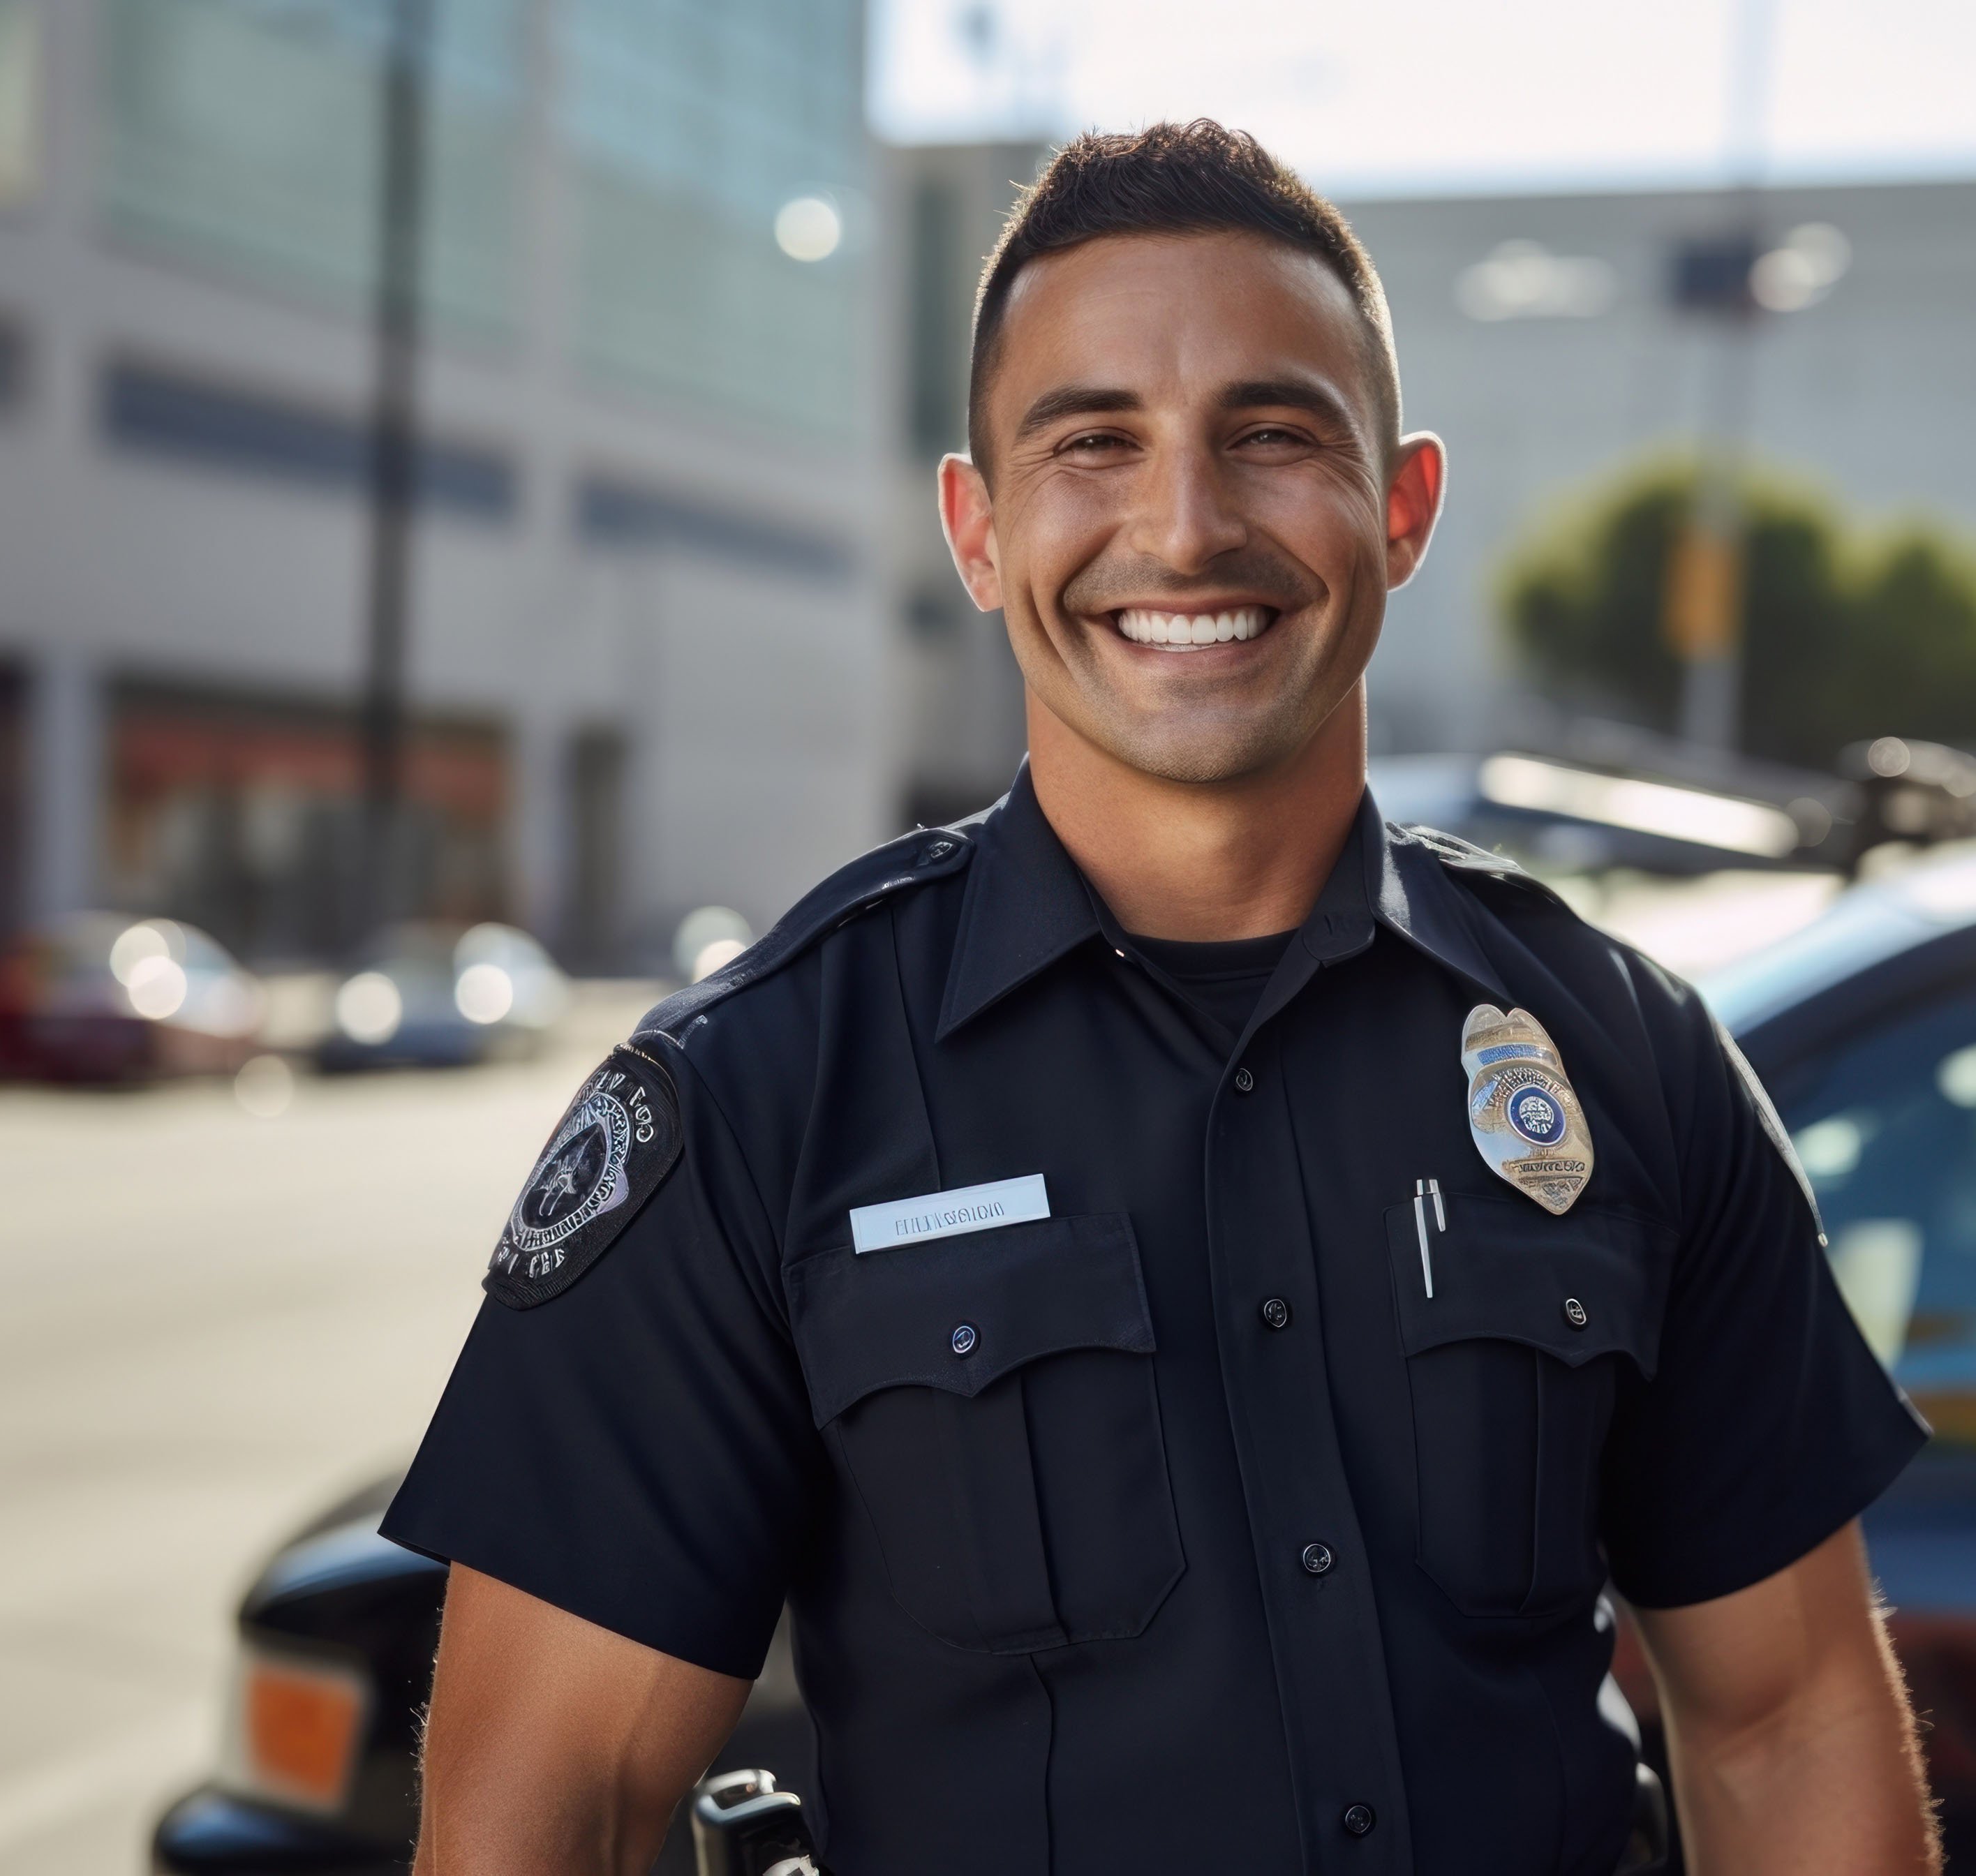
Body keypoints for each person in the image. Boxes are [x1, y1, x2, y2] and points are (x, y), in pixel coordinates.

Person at [380, 121, 1936, 1875]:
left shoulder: (1625, 1057)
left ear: (1402, 508)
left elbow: (1788, 1720)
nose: (1185, 528)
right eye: (1093, 442)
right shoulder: (757, 1094)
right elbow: (543, 1816)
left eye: (1274, 437)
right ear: (976, 532)